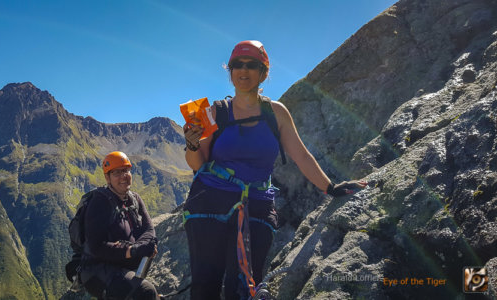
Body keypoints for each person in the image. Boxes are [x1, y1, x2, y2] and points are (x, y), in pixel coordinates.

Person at [182, 40, 367, 300]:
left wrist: (331, 187)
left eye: (251, 65)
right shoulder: (215, 111)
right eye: (237, 65)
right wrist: (191, 143)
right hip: (210, 201)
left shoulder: (276, 113)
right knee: (205, 286)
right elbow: (198, 164)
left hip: (256, 205)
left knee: (244, 288)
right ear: (230, 70)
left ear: (264, 73)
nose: (243, 71)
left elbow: (301, 155)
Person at [80, 151, 159, 300]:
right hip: (97, 270)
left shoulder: (134, 199)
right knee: (146, 291)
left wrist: (140, 247)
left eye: (126, 170)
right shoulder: (99, 202)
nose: (123, 176)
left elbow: (149, 230)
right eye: (116, 172)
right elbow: (97, 247)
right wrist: (133, 250)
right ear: (107, 177)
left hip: (123, 266)